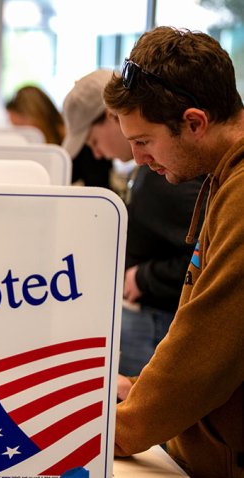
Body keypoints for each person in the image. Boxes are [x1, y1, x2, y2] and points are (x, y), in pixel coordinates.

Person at [102, 27, 244, 476]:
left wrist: (117, 429)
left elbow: (211, 343)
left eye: (143, 141)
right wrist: (140, 389)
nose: (138, 159)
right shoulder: (225, 178)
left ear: (195, 122)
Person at [62, 69, 203, 377]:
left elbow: (208, 253)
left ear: (112, 117)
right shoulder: (153, 171)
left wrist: (143, 278)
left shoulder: (170, 175)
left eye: (93, 141)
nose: (97, 153)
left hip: (157, 318)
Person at [6, 85, 114, 189]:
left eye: (23, 129)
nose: (22, 136)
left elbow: (99, 192)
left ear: (38, 117)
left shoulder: (88, 146)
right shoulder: (39, 152)